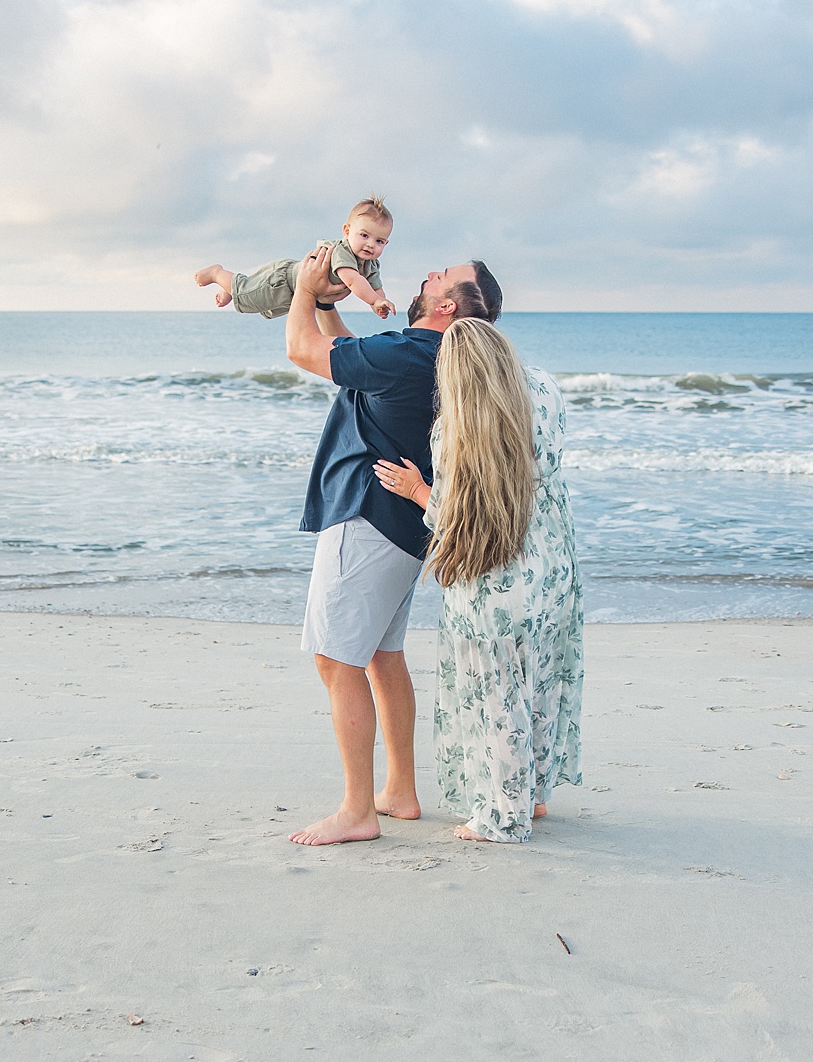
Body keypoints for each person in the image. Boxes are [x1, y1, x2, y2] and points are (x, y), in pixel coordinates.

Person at [281, 244, 503, 846]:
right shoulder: (434, 357)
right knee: (381, 655)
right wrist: (330, 305)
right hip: (405, 528)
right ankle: (399, 789)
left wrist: (303, 290)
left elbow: (303, 351)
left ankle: (357, 809)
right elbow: (351, 358)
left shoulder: (411, 351)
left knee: (337, 659)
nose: (428, 273)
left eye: (441, 275)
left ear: (448, 305)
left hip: (368, 518)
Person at [373, 318, 583, 844]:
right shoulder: (546, 392)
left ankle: (501, 817)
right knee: (538, 686)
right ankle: (531, 796)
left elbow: (453, 515)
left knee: (496, 698)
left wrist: (417, 489)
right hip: (553, 569)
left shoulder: (455, 432)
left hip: (493, 584)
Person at [195, 196, 399, 319]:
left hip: (296, 292)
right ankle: (217, 273)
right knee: (248, 296)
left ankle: (229, 288)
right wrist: (373, 300)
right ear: (347, 231)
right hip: (283, 281)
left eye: (379, 241)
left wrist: (378, 302)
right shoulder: (342, 252)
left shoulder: (371, 264)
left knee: (258, 304)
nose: (371, 244)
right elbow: (354, 281)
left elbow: (374, 286)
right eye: (364, 235)